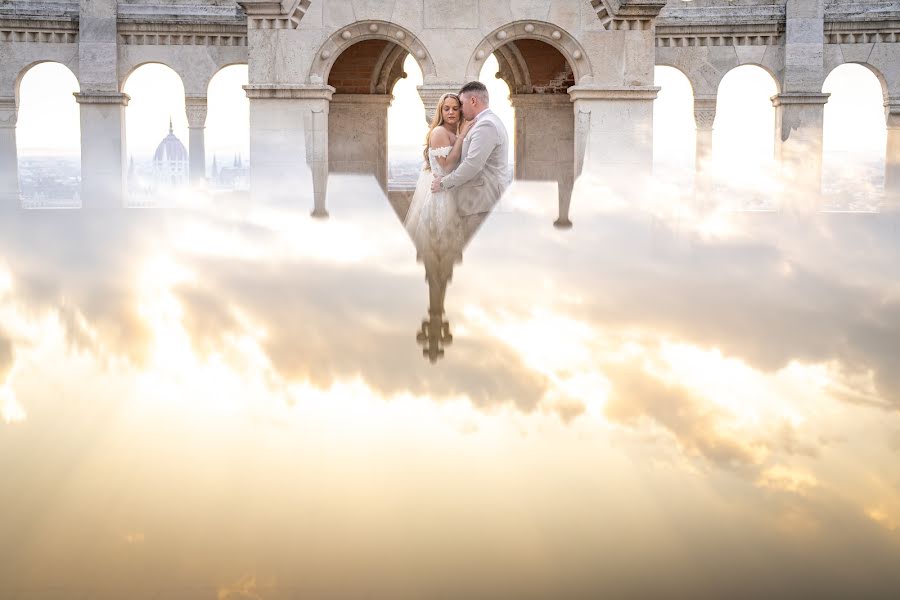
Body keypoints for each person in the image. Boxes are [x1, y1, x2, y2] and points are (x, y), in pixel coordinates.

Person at [430, 80, 509, 237]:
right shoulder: (484, 123)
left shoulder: (486, 125)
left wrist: (444, 183)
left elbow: (472, 165)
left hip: (482, 203)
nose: (460, 109)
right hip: (478, 204)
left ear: (473, 101)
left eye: (461, 104)